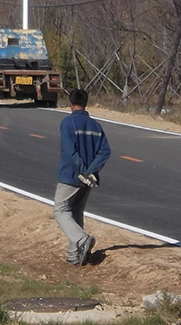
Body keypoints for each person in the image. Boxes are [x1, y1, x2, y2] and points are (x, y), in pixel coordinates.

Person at [54, 88, 110, 265]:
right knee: (76, 212)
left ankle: (81, 240)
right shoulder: (96, 126)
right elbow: (105, 151)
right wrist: (91, 171)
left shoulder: (68, 123)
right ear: (86, 104)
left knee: (61, 210)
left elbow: (70, 151)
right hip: (88, 178)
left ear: (70, 104)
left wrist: (83, 170)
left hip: (71, 175)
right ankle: (74, 255)